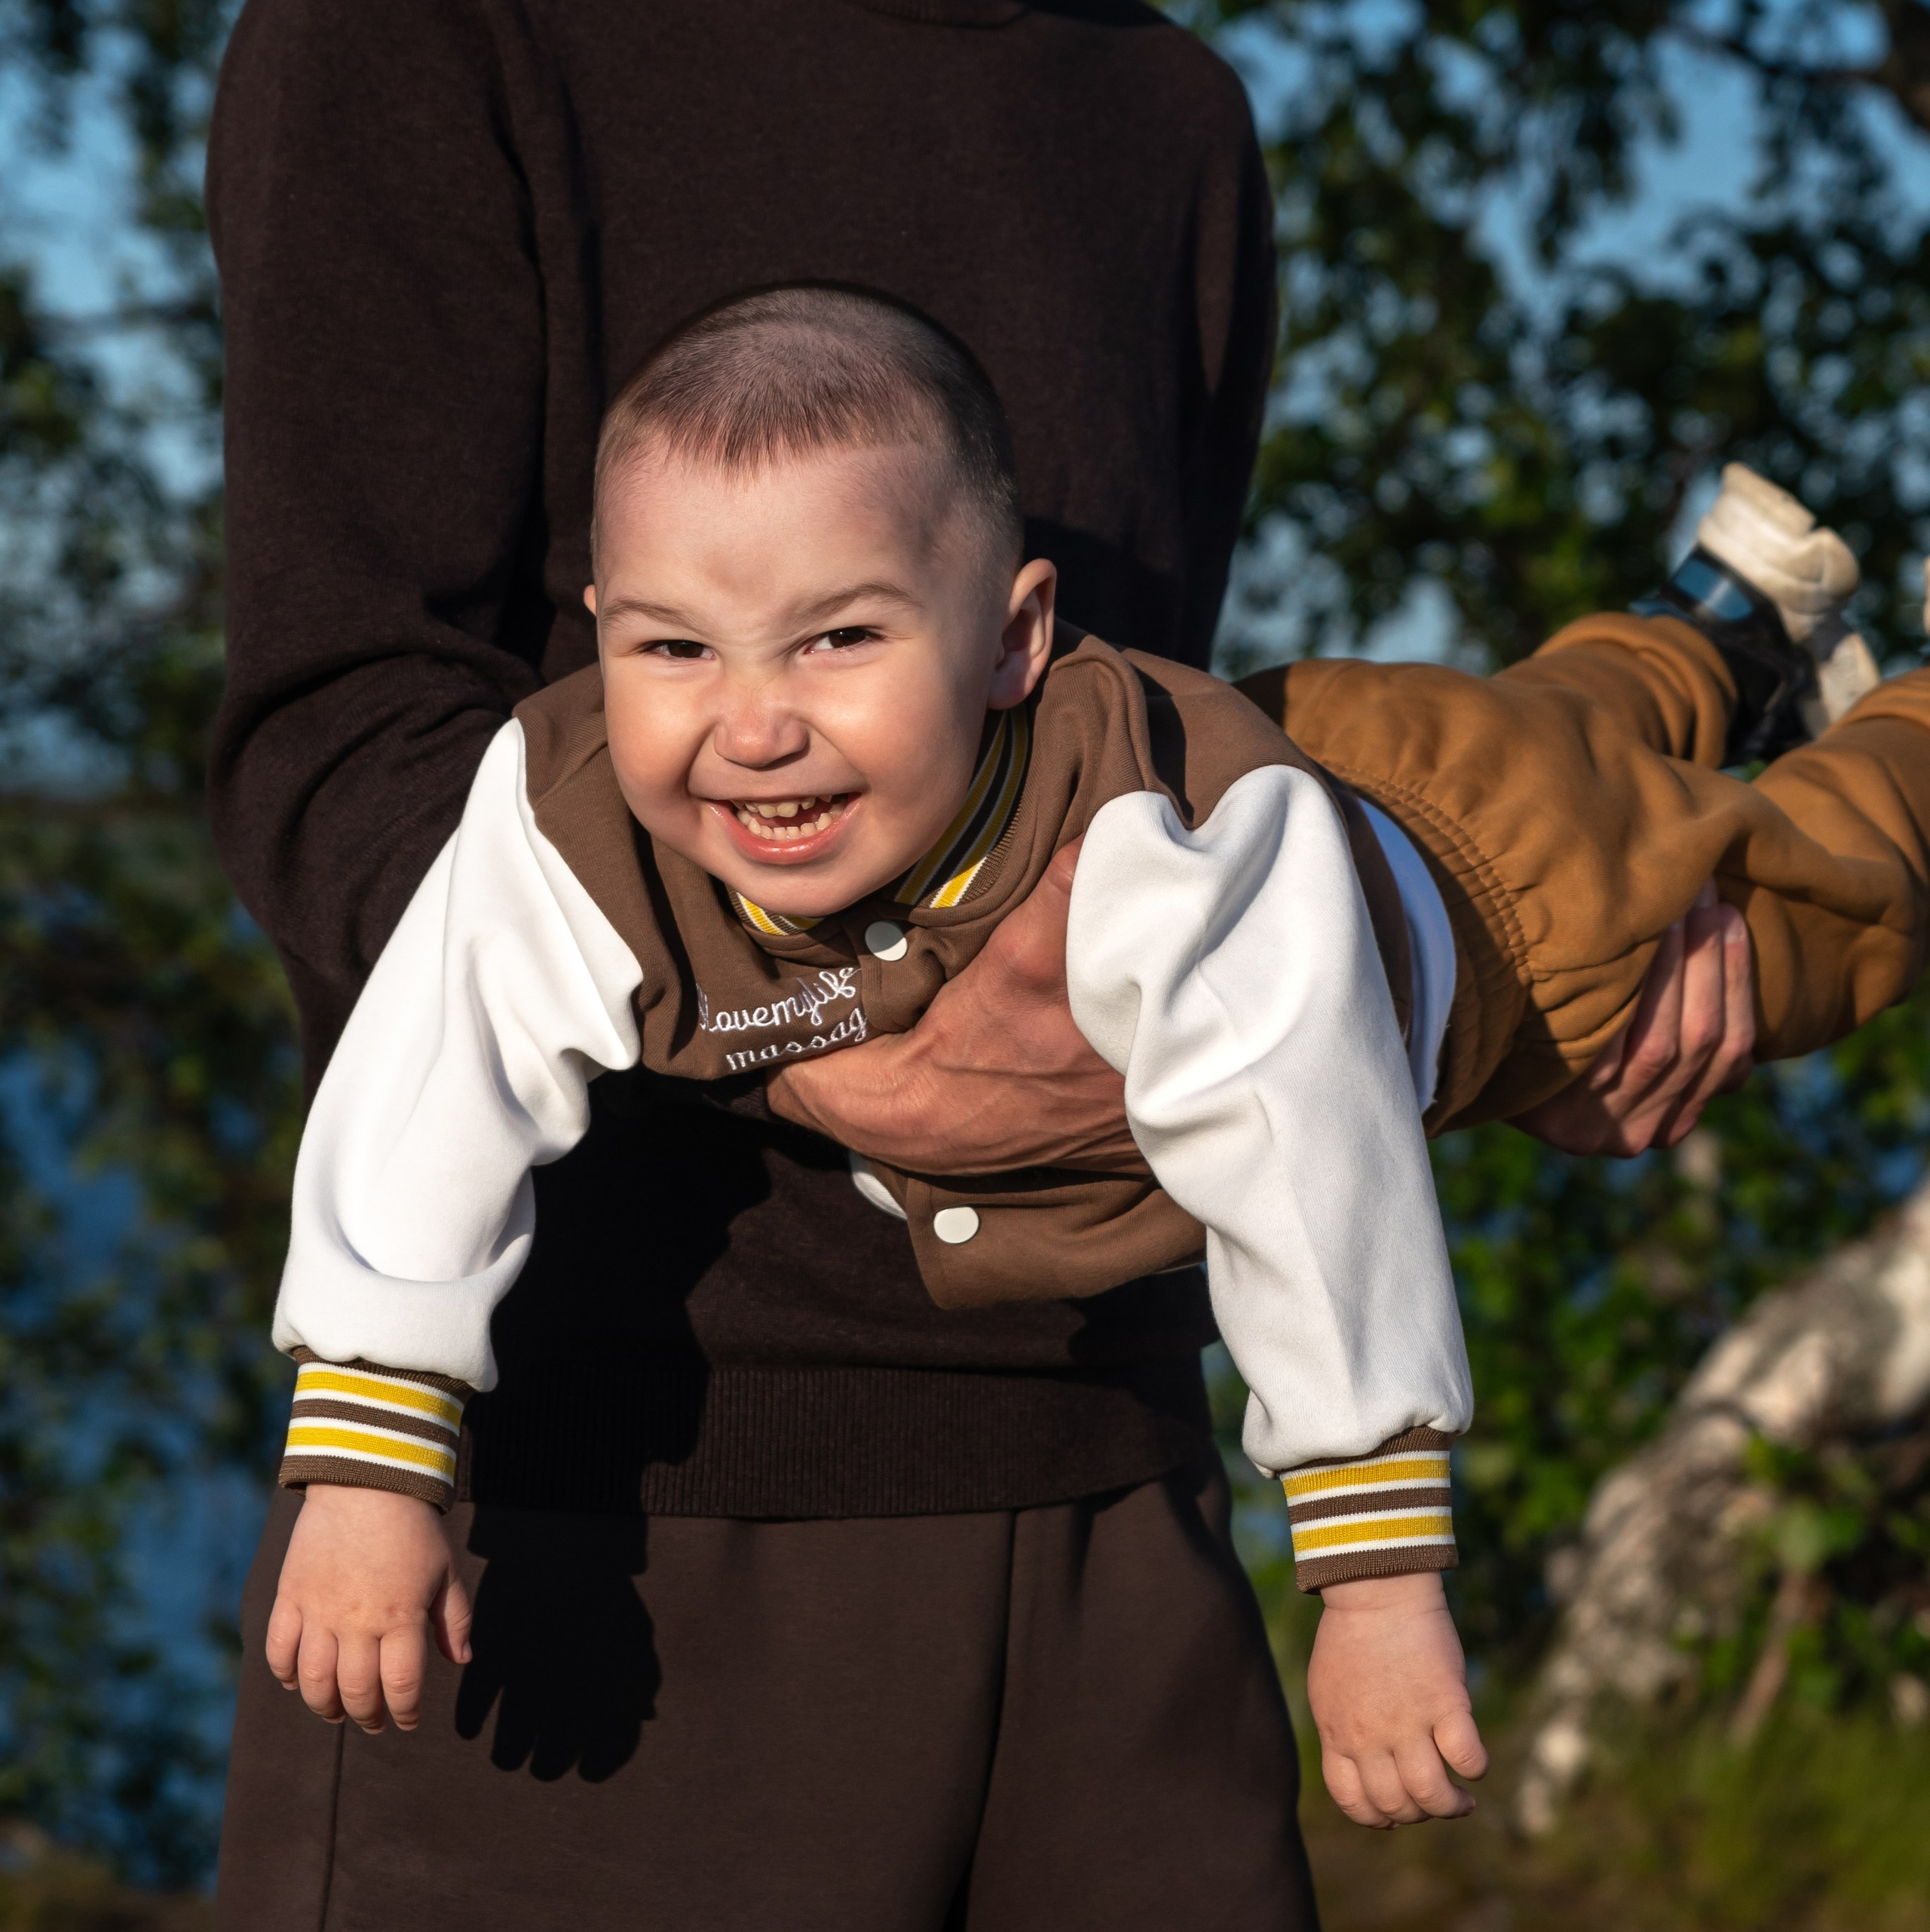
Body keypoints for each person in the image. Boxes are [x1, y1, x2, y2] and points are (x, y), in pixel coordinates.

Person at [208, 0, 1753, 1928]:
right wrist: (865, 1034)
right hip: (595, 1553)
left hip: (1132, 1528)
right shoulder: (436, 5)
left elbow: (1159, 796)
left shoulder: (1163, 127)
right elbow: (338, 762)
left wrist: (1522, 949)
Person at [260, 288, 1925, 1837]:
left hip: (1509, 908)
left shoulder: (1148, 854)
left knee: (1816, 906)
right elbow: (432, 1075)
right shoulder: (560, 811)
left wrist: (1372, 1582)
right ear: (599, 631)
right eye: (675, 650)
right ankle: (1723, 617)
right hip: (1346, 738)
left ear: (1009, 638)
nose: (750, 725)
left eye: (839, 641)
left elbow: (1305, 1165)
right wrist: (367, 1459)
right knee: (1568, 711)